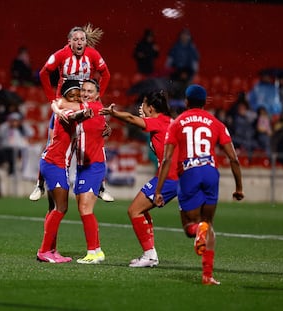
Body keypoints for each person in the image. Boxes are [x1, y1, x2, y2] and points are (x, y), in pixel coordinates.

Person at [154, 84, 244, 285]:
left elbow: (167, 159)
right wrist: (239, 188)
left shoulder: (177, 123)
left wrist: (159, 190)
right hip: (211, 172)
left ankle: (198, 230)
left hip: (189, 172)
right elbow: (234, 159)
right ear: (205, 102)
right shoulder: (216, 123)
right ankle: (207, 275)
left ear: (186, 102)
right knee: (208, 225)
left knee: (189, 227)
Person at [31, 23, 113, 202]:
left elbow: (106, 73)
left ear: (85, 42)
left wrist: (98, 97)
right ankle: (39, 184)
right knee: (52, 142)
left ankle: (101, 186)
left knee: (97, 141)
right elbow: (44, 72)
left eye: (82, 39)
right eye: (75, 40)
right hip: (65, 105)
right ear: (69, 42)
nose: (79, 42)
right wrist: (52, 99)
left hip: (84, 104)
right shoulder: (61, 54)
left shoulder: (92, 54)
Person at [100, 90, 178, 267]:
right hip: (172, 176)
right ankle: (150, 254)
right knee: (140, 210)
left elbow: (129, 118)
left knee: (134, 211)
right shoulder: (170, 121)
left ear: (150, 108)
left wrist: (113, 113)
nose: (140, 108)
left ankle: (150, 255)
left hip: (169, 178)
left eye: (143, 104)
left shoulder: (158, 122)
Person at [36, 80, 89, 263]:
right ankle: (44, 251)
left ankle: (51, 250)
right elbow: (73, 117)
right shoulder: (66, 111)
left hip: (55, 163)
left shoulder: (63, 107)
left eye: (77, 94)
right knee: (62, 207)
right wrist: (84, 112)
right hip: (54, 163)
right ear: (65, 96)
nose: (75, 98)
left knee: (53, 208)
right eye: (71, 95)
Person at [56, 79, 107, 264]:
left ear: (97, 94)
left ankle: (93, 253)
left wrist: (57, 105)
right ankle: (97, 250)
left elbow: (63, 103)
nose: (85, 93)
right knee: (83, 208)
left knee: (85, 208)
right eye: (83, 90)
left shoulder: (93, 107)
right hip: (82, 166)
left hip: (94, 165)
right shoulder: (86, 108)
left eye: (90, 90)